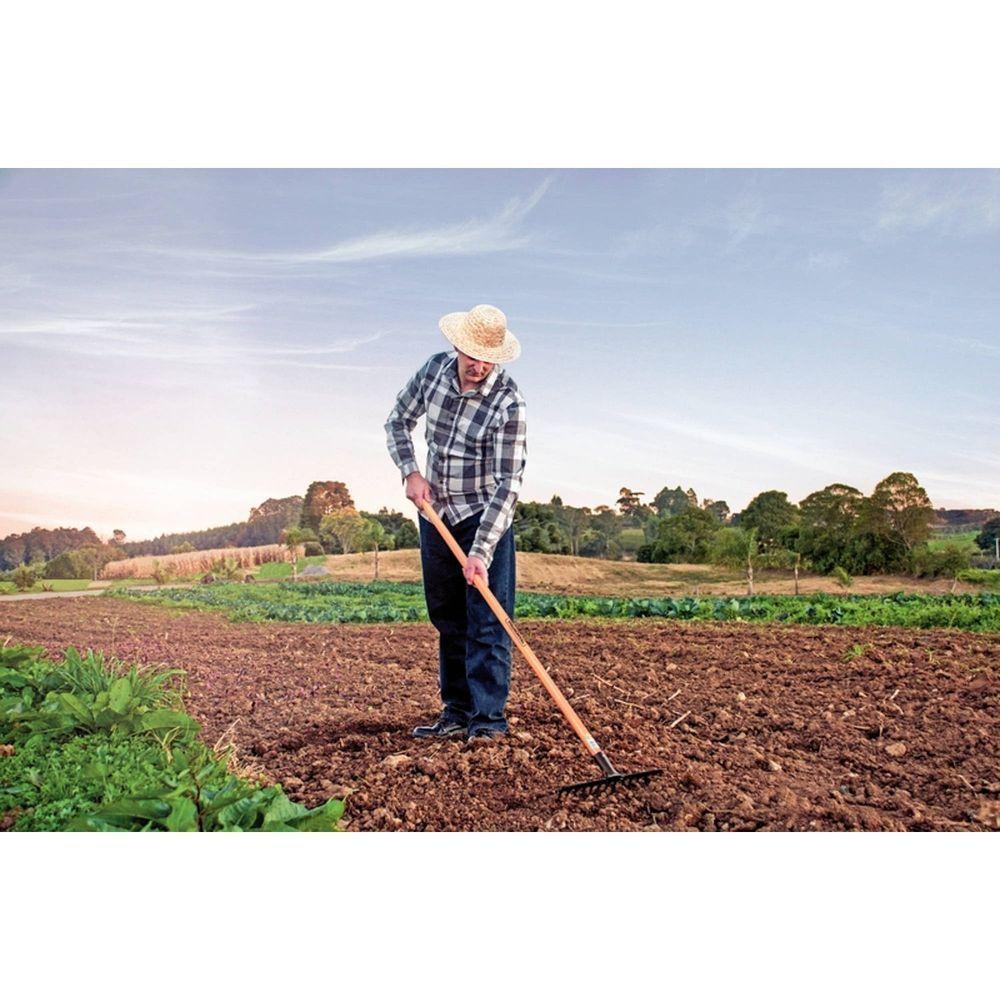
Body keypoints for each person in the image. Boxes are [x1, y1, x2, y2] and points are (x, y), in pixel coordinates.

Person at [384, 304, 527, 744]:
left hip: (485, 518)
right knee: (448, 618)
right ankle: (457, 713)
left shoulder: (509, 403)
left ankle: (487, 723)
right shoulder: (432, 373)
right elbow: (398, 421)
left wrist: (481, 551)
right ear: (457, 345)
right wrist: (410, 471)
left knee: (487, 621)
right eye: (472, 354)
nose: (479, 365)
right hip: (436, 513)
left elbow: (509, 484)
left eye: (489, 357)